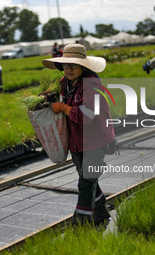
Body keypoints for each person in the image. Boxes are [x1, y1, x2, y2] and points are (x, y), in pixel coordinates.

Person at [42, 44, 116, 226]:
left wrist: (63, 107)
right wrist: (50, 100)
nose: (68, 69)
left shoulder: (92, 85)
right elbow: (63, 104)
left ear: (83, 66)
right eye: (66, 65)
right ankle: (100, 213)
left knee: (86, 182)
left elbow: (86, 116)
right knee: (87, 179)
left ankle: (80, 225)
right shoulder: (65, 83)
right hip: (77, 141)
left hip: (96, 140)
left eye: (73, 65)